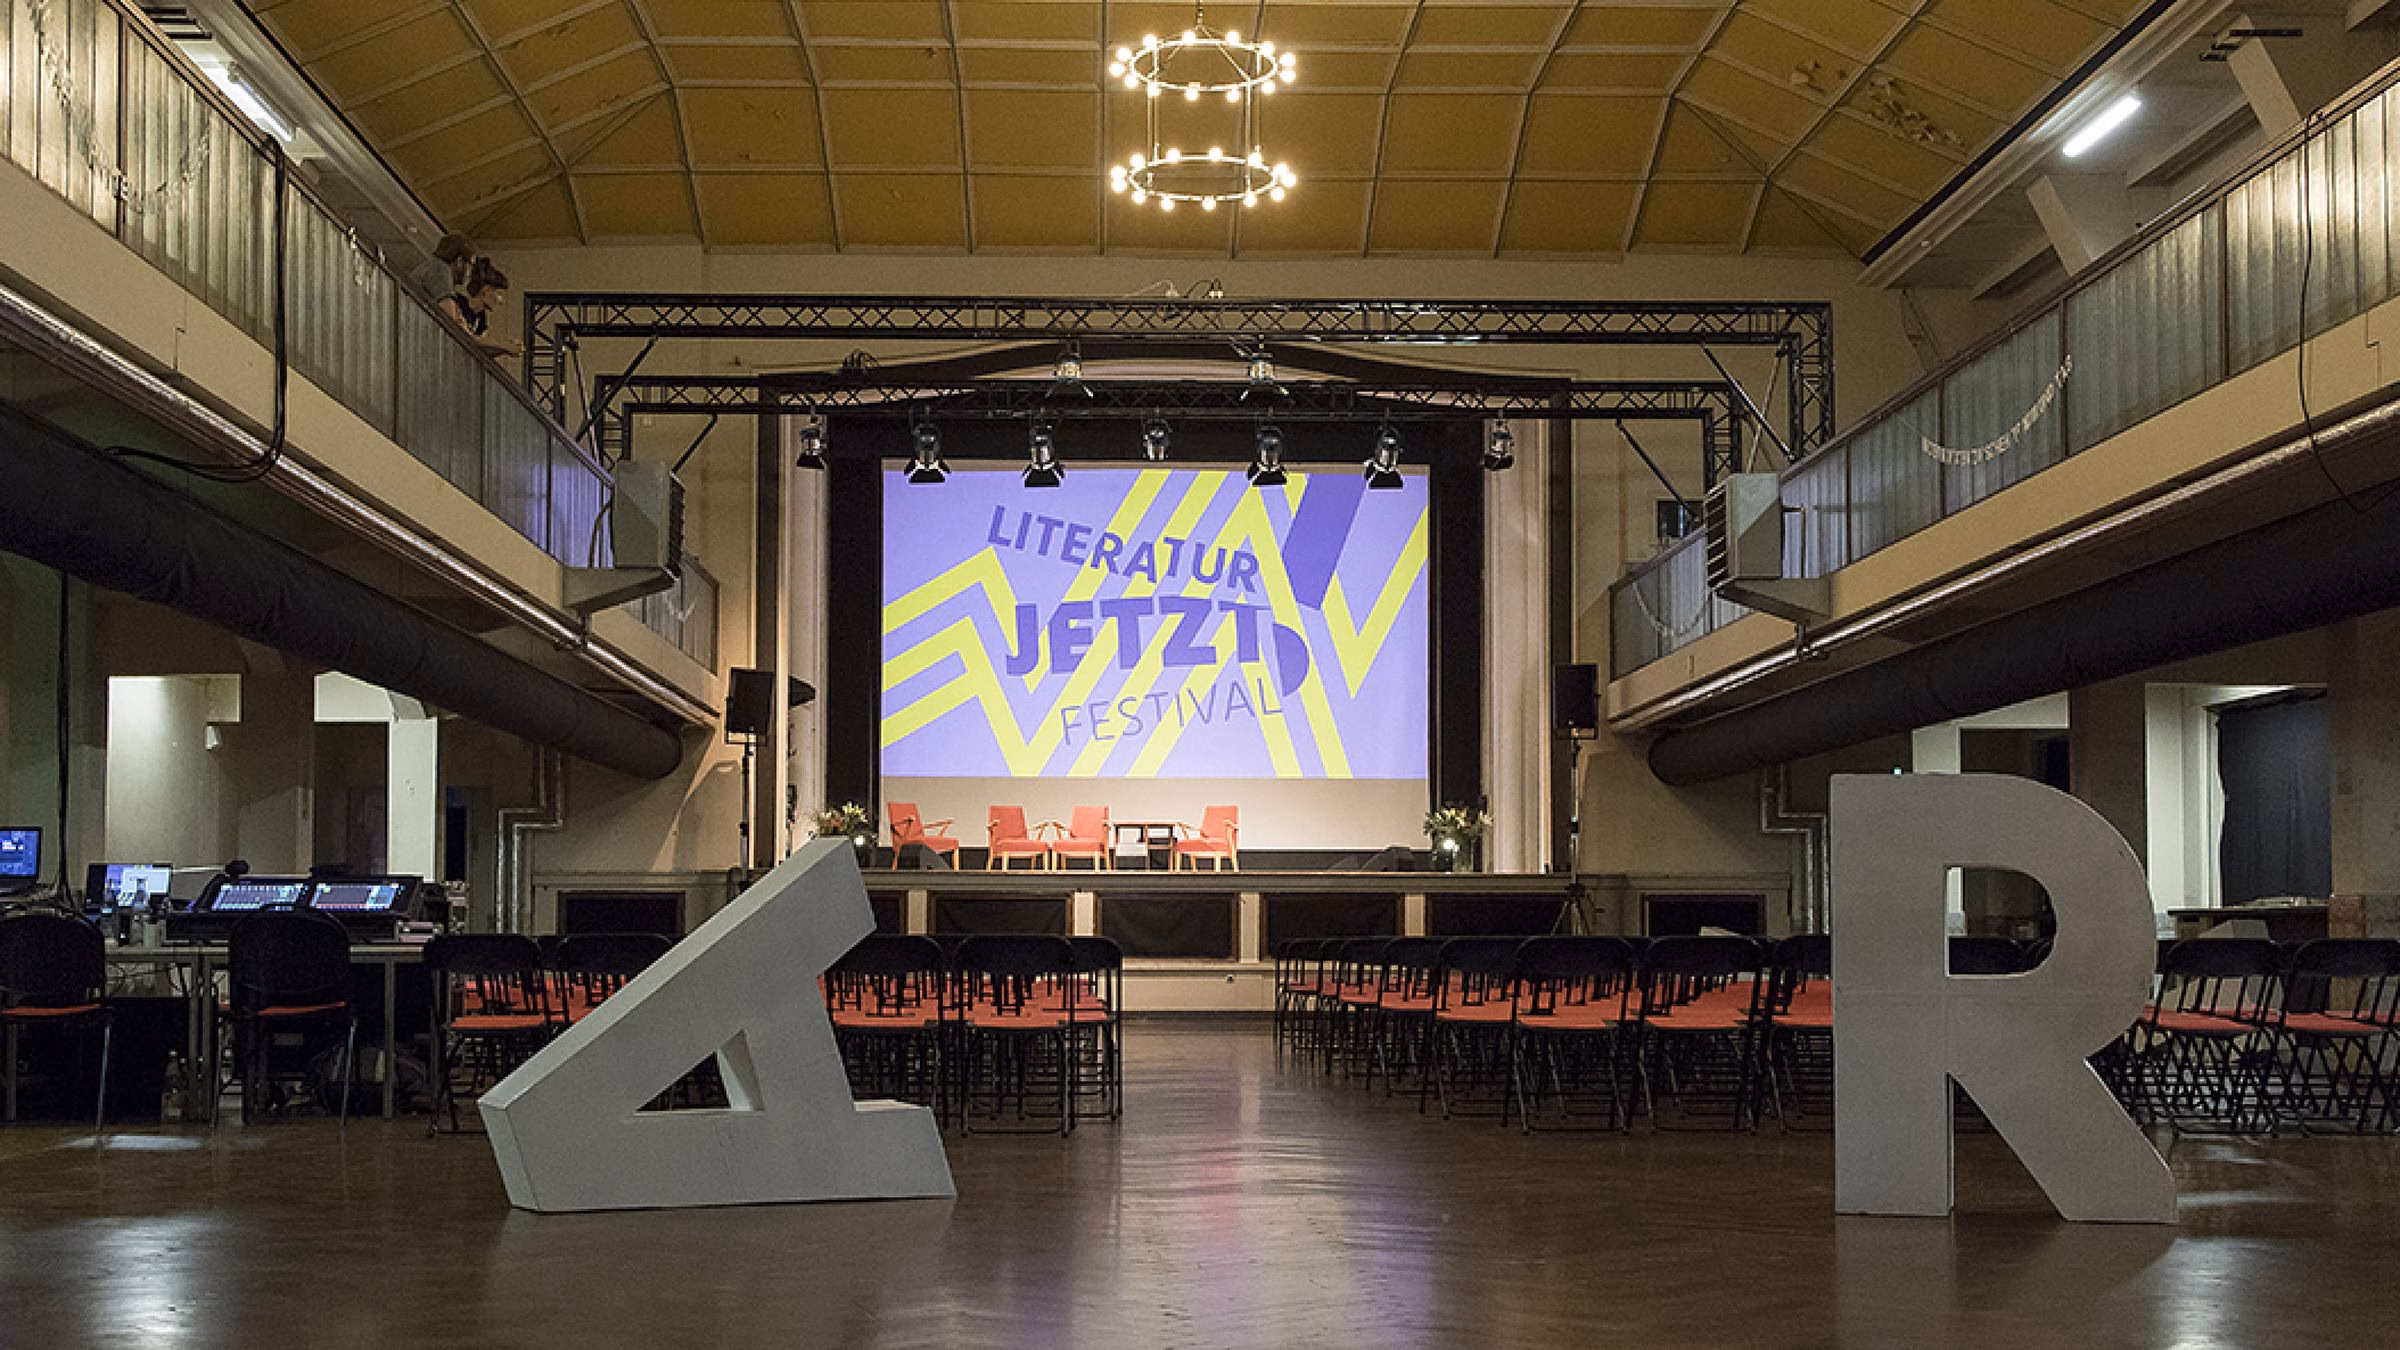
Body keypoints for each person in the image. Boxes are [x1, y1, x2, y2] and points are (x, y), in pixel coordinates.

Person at [438, 257, 523, 359]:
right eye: (499, 294)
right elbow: (466, 336)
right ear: (486, 290)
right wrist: (504, 345)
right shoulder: (457, 303)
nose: (501, 301)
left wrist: (503, 349)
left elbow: (481, 348)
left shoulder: (481, 318)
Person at [415, 232, 477, 299]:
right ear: (460, 261)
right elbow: (447, 307)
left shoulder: (432, 265)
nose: (471, 272)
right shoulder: (440, 270)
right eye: (471, 265)